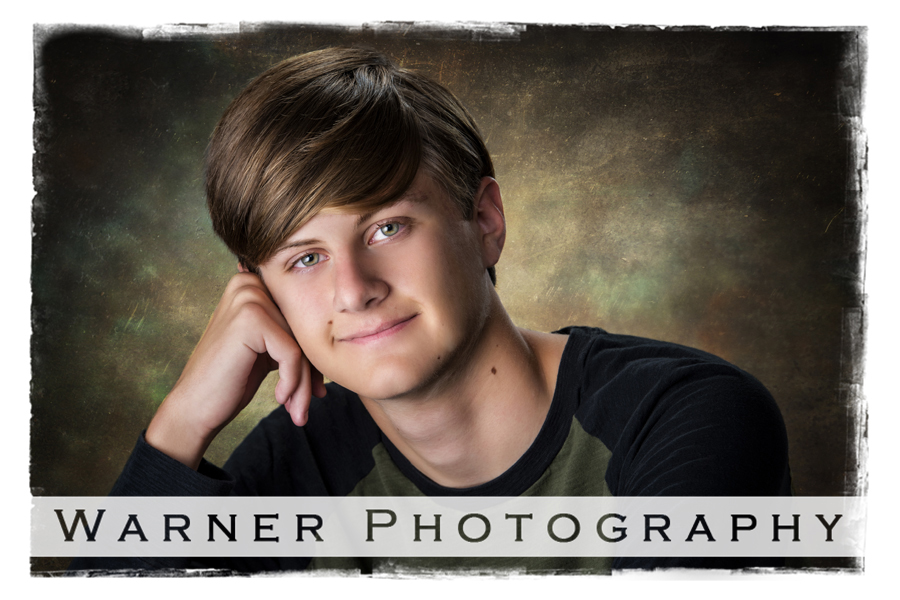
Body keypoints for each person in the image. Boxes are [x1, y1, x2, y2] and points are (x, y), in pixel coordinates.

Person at [69, 46, 791, 574]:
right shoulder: (300, 464)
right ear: (262, 293)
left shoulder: (686, 417)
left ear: (485, 220)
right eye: (305, 258)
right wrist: (180, 426)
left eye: (387, 227)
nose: (354, 289)